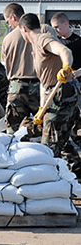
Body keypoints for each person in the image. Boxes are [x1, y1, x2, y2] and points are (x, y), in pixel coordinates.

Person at [19, 13, 81, 177]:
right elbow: (43, 80)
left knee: (49, 144)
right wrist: (41, 108)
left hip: (62, 91)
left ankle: (51, 179)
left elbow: (64, 50)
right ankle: (73, 173)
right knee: (63, 137)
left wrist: (66, 67)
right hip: (54, 92)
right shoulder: (35, 46)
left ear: (24, 29)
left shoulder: (42, 39)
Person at [2, 3, 56, 134]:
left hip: (16, 87)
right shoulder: (44, 30)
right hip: (39, 85)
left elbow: (5, 62)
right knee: (47, 125)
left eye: (7, 20)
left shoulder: (7, 39)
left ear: (13, 17)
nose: (8, 25)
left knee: (13, 129)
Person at [51, 12, 81, 147]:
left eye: (57, 27)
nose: (55, 30)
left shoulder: (78, 42)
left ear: (66, 24)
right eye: (53, 28)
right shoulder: (56, 43)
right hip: (62, 87)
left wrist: (77, 73)